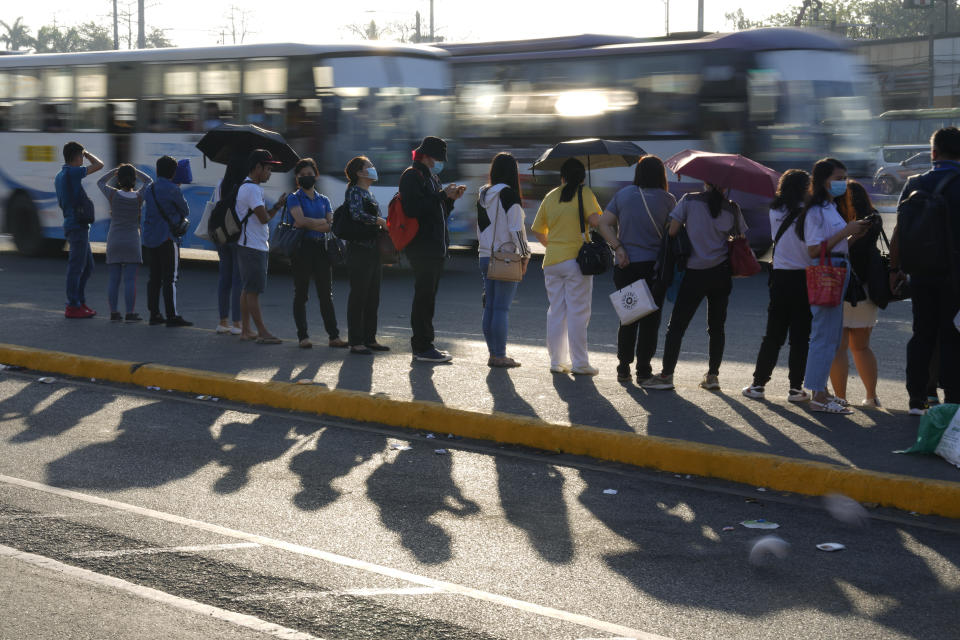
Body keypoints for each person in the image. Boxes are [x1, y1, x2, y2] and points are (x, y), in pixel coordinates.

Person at [644, 183, 746, 391]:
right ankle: (713, 376)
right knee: (717, 327)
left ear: (705, 182)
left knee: (677, 327)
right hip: (721, 274)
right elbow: (741, 238)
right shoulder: (732, 208)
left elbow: (672, 231)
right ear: (724, 186)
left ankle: (666, 375)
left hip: (695, 273)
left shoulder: (689, 200)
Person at [890, 126, 960, 414]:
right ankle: (953, 401)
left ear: (933, 152)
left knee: (922, 334)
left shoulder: (915, 182)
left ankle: (917, 399)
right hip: (956, 277)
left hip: (920, 274)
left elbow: (898, 232)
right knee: (953, 336)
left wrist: (894, 269)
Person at [794, 159, 871, 414]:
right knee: (824, 337)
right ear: (823, 180)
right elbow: (815, 249)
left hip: (839, 267)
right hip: (828, 271)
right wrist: (846, 231)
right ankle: (817, 395)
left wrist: (854, 234)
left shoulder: (829, 207)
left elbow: (835, 245)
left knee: (832, 336)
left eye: (845, 177)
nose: (843, 183)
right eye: (838, 178)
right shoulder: (816, 210)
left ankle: (822, 392)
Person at [597, 155, 676, 383]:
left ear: (638, 173)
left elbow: (603, 223)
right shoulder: (668, 200)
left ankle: (623, 368)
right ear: (661, 175)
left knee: (629, 318)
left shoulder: (624, 195)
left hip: (627, 265)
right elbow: (674, 232)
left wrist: (618, 247)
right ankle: (643, 371)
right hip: (655, 269)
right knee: (651, 321)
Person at [742, 170, 813, 403]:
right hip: (804, 278)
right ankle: (795, 389)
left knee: (773, 335)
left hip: (780, 278)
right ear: (805, 188)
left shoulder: (775, 210)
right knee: (800, 337)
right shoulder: (811, 212)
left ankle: (758, 384)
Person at [531, 158, 602, 376]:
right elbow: (596, 221)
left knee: (556, 312)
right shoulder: (585, 193)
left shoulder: (551, 196)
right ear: (582, 177)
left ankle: (556, 362)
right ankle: (580, 363)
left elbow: (537, 229)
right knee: (578, 312)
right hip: (576, 261)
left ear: (562, 177)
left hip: (552, 261)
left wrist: (551, 245)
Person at [399, 136, 466, 363]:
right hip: (422, 248)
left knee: (429, 299)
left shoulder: (432, 177)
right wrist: (441, 196)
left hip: (435, 247)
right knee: (424, 298)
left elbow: (438, 213)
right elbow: (413, 209)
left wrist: (450, 200)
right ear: (426, 156)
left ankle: (426, 344)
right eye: (437, 158)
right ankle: (421, 346)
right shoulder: (411, 176)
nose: (439, 163)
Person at [829, 180, 883, 408]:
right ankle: (872, 397)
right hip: (867, 291)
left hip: (840, 286)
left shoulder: (837, 220)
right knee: (861, 347)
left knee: (838, 347)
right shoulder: (874, 218)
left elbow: (835, 250)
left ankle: (840, 397)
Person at [477, 152, 531, 368]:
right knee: (501, 309)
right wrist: (526, 254)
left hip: (484, 255)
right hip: (505, 258)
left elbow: (481, 227)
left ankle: (493, 354)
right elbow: (517, 230)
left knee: (490, 307)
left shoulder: (483, 194)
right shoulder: (509, 195)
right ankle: (499, 355)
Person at [286, 158, 346, 349]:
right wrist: (321, 223)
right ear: (297, 177)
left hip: (321, 249)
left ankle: (333, 336)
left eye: (310, 174)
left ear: (316, 176)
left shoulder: (324, 200)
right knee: (301, 294)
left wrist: (312, 223)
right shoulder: (293, 198)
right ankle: (303, 336)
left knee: (325, 295)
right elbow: (301, 222)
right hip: (301, 248)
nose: (306, 178)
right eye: (302, 175)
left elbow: (329, 226)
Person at [236, 149, 286, 344]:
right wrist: (277, 207)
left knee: (247, 289)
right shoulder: (252, 189)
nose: (269, 173)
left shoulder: (247, 187)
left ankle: (246, 330)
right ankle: (262, 332)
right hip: (253, 246)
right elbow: (263, 218)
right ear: (257, 167)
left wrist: (276, 206)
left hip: (250, 244)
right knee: (253, 290)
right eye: (267, 168)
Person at [343, 156, 390, 355]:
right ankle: (355, 341)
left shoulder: (368, 192)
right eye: (369, 166)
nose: (373, 169)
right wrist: (379, 221)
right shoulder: (354, 191)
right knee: (359, 296)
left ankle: (369, 338)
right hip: (359, 249)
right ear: (359, 173)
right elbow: (356, 215)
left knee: (373, 296)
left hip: (372, 249)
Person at [97, 163, 152, 323]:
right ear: (134, 179)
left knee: (114, 280)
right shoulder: (139, 197)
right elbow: (149, 181)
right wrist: (135, 171)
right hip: (132, 240)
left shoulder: (113, 195)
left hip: (114, 239)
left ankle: (114, 313)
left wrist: (114, 171)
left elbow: (100, 182)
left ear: (119, 179)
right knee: (130, 280)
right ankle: (129, 313)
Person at [142, 155, 192, 328]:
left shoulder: (150, 188)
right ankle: (172, 315)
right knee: (170, 279)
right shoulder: (173, 189)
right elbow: (185, 210)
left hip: (151, 238)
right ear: (173, 172)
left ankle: (154, 314)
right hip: (168, 237)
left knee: (154, 277)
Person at [55, 141, 103, 318]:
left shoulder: (61, 174)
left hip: (76, 224)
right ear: (76, 157)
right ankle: (72, 306)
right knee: (76, 267)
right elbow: (99, 165)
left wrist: (82, 153)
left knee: (88, 266)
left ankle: (80, 301)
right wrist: (87, 153)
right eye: (81, 157)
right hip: (77, 226)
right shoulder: (72, 172)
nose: (83, 160)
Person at [212, 155, 247, 335]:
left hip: (221, 234)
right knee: (237, 280)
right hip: (237, 235)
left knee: (224, 276)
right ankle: (237, 323)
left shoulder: (220, 184)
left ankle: (222, 321)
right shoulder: (244, 187)